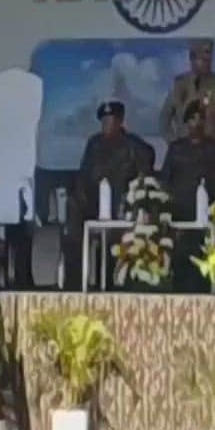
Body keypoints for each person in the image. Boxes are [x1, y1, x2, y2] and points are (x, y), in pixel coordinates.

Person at [61, 100, 155, 291]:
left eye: (110, 120)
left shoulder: (133, 146)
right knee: (73, 213)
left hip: (123, 207)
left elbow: (146, 167)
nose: (106, 125)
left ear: (120, 122)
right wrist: (80, 199)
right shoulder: (94, 144)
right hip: (94, 206)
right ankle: (75, 283)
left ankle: (119, 284)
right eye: (104, 121)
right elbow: (83, 177)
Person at [159, 101, 215, 292]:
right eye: (192, 119)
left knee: (205, 268)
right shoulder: (177, 150)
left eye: (201, 119)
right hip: (180, 217)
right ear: (185, 124)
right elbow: (165, 182)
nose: (197, 123)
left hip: (208, 218)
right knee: (181, 266)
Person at [158, 38, 215, 144]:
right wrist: (173, 141)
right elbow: (165, 117)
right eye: (203, 60)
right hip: (184, 147)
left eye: (209, 60)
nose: (207, 64)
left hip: (210, 147)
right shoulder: (180, 84)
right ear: (192, 58)